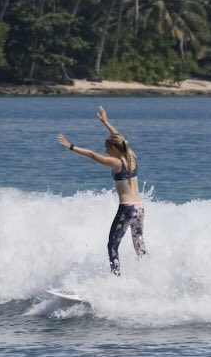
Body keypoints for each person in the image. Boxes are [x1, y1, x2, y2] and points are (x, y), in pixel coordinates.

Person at [57, 106, 147, 276]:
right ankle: (149, 272)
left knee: (112, 245)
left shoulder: (117, 163)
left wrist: (71, 146)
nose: (106, 151)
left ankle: (116, 278)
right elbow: (121, 138)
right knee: (139, 242)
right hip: (140, 208)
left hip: (127, 209)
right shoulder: (132, 155)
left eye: (107, 148)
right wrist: (106, 122)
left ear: (114, 149)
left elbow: (92, 155)